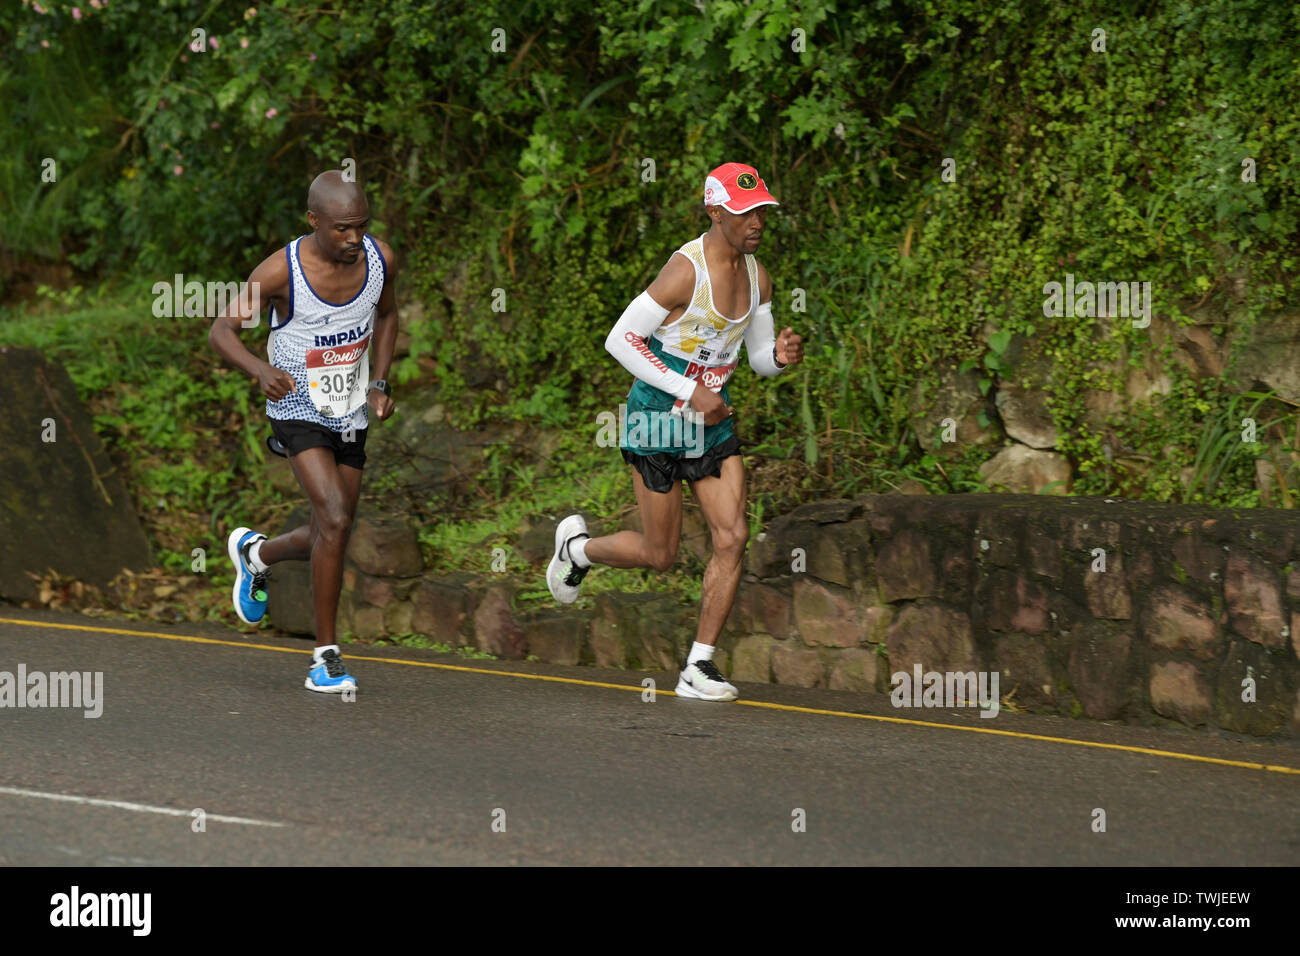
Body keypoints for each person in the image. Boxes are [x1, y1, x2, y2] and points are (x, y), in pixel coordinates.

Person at [547, 162, 804, 701]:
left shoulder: (759, 276)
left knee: (731, 536)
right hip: (658, 419)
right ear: (716, 212)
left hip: (711, 423)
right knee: (660, 555)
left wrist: (777, 358)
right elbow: (621, 340)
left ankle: (699, 666)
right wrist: (687, 390)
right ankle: (578, 551)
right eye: (744, 211)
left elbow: (756, 355)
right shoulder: (685, 271)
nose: (756, 221)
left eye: (761, 211)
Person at [208, 170, 398, 694]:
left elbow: (387, 316)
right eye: (341, 229)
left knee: (330, 530)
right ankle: (325, 657)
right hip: (295, 405)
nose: (353, 239)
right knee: (334, 518)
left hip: (350, 409)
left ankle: (256, 555)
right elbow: (221, 329)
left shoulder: (379, 260)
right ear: (313, 221)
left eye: (361, 226)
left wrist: (380, 380)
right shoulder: (279, 272)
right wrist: (258, 369)